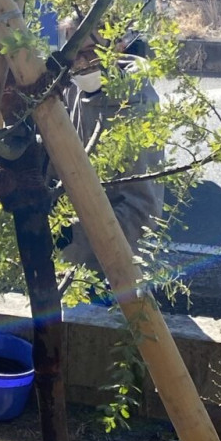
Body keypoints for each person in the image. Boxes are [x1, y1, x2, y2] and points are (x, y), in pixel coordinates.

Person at [53, 17, 164, 273]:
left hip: (118, 265)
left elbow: (142, 210)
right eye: (73, 52)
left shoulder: (135, 107)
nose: (80, 63)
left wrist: (69, 235)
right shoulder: (75, 88)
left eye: (90, 52)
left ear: (118, 46)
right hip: (73, 258)